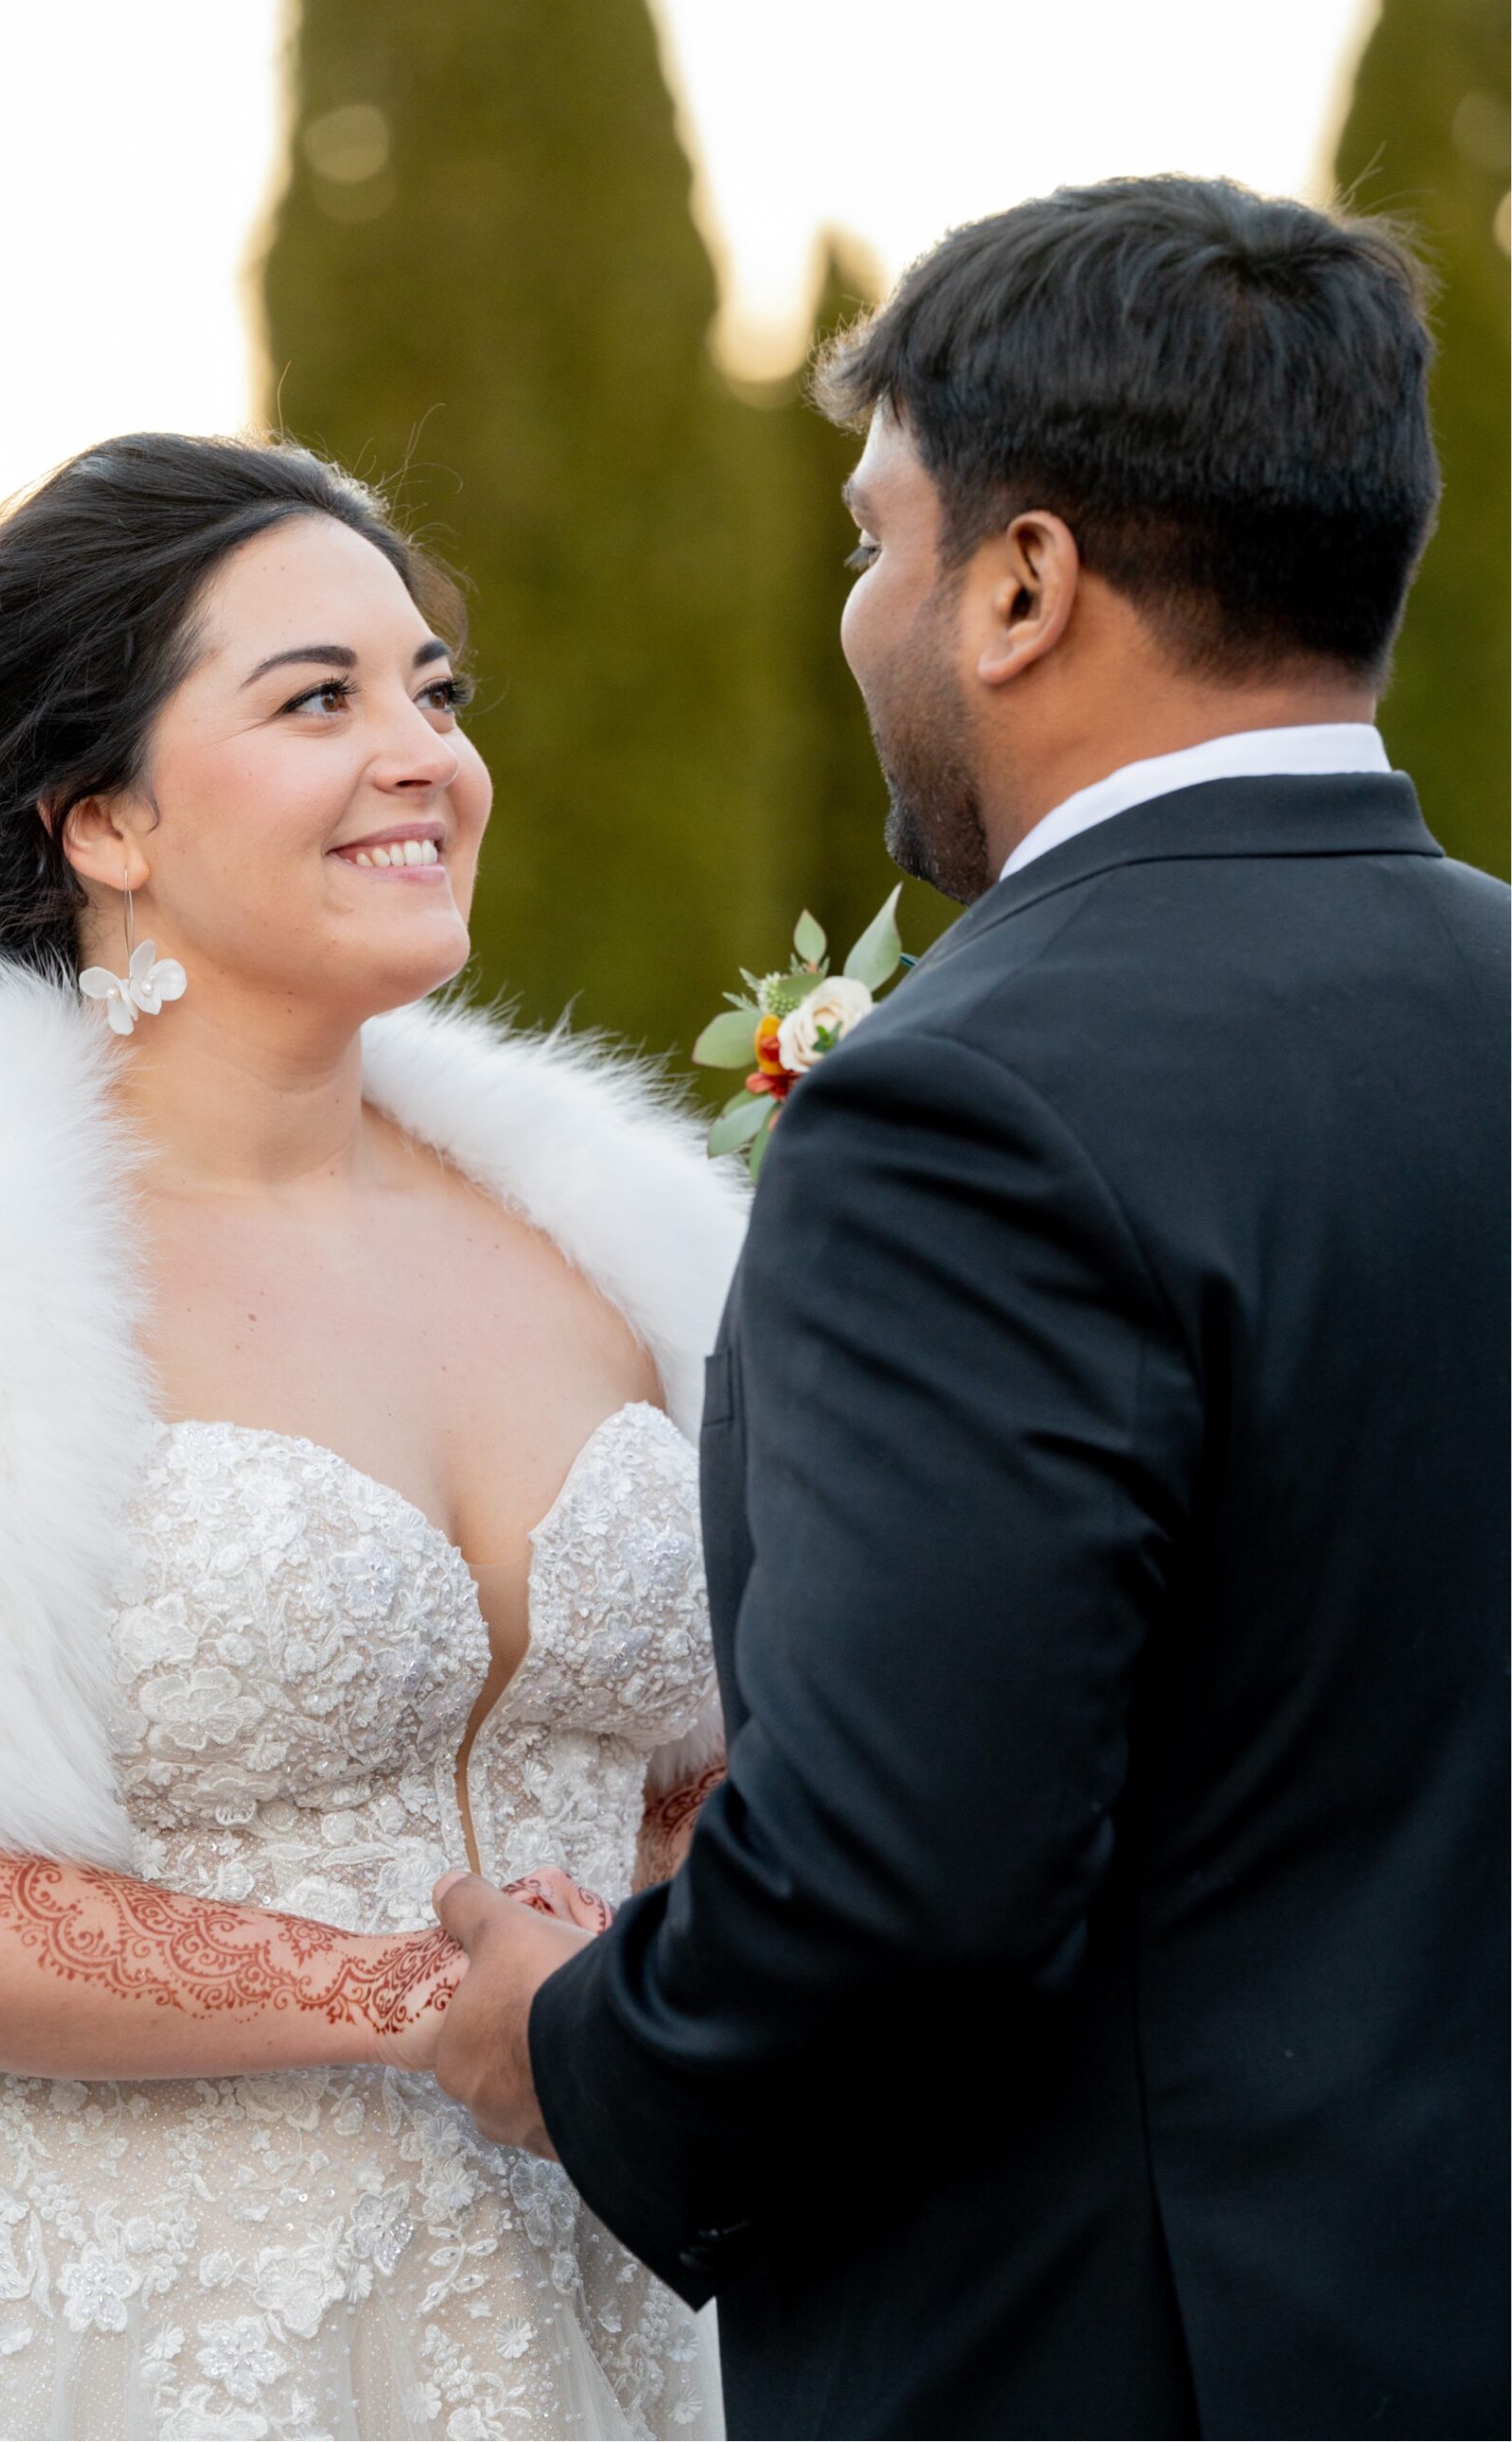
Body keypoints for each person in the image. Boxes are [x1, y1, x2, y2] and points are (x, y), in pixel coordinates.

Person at [430, 176, 1511, 2440]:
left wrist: (572, 2039)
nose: (854, 614)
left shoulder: (969, 1112)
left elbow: (903, 1884)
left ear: (1020, 583)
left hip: (1126, 2353)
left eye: (871, 539)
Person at [0, 432, 745, 2440]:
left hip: (591, 2312)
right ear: (100, 816)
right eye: (317, 699)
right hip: (122, 2325)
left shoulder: (615, 1253)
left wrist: (659, 1964)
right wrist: (425, 2007)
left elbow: (714, 1773)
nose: (420, 755)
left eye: (432, 693)